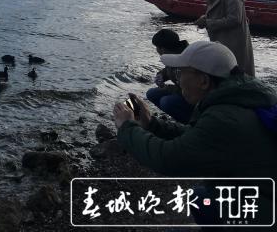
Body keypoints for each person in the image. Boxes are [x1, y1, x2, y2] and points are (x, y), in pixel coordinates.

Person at [114, 41, 277, 227]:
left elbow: (168, 159)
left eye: (181, 73)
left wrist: (127, 127)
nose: (178, 79)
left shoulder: (225, 117)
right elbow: (196, 136)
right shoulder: (244, 97)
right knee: (200, 197)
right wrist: (151, 124)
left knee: (200, 201)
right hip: (262, 194)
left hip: (266, 211)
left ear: (204, 81)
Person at [195, 0, 255, 76]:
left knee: (236, 74)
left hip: (234, 43)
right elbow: (219, 13)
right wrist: (205, 19)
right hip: (223, 41)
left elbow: (235, 19)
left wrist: (207, 22)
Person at [145, 29, 193, 123]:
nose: (156, 50)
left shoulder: (185, 61)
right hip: (184, 92)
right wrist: (161, 75)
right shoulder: (174, 53)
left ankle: (191, 122)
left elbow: (188, 90)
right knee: (151, 93)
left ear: (162, 49)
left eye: (156, 47)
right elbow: (169, 69)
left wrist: (166, 88)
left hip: (194, 97)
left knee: (166, 102)